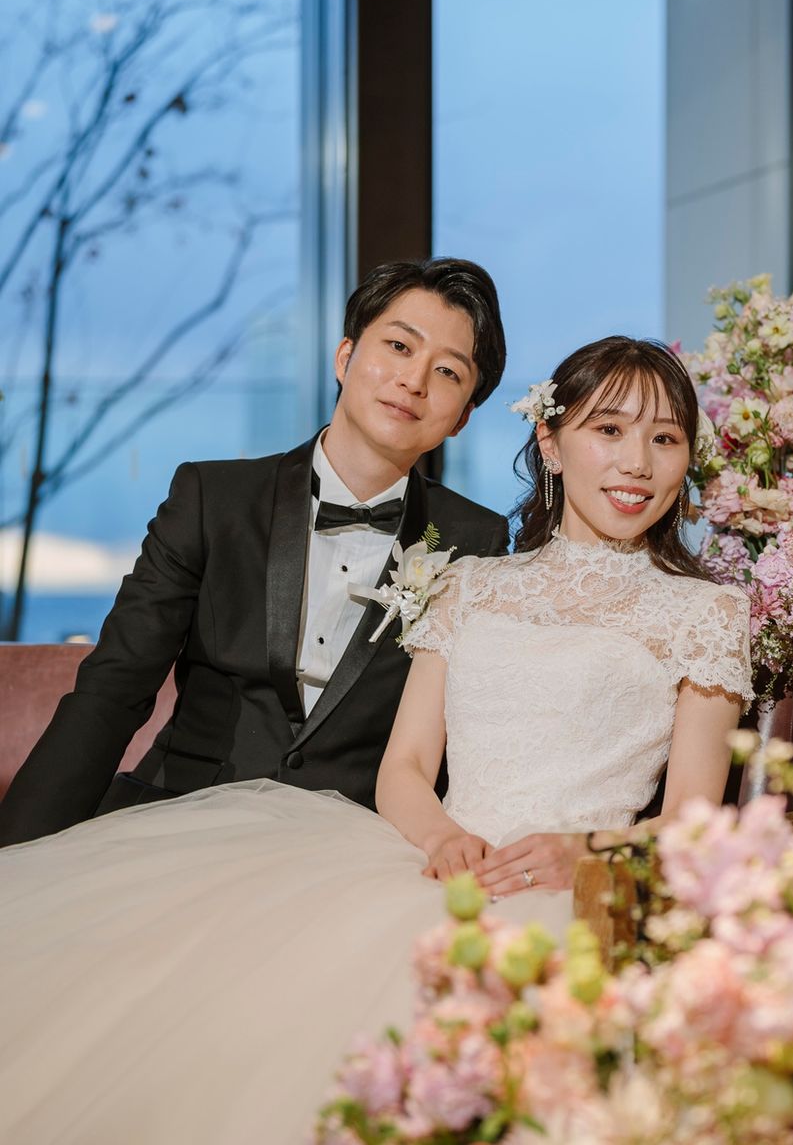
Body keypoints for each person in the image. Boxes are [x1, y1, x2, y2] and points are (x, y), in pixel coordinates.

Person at [0, 337, 752, 1145]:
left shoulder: (707, 613)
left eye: (665, 438)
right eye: (608, 430)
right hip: (427, 866)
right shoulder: (467, 581)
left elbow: (693, 821)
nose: (637, 463)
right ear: (550, 441)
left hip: (583, 894)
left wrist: (589, 854)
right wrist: (444, 839)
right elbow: (407, 766)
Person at [0, 257, 510, 847]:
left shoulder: (475, 542)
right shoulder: (211, 498)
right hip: (182, 823)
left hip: (355, 845)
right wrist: (18, 853)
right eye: (398, 346)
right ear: (345, 357)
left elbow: (469, 738)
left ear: (463, 417)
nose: (414, 380)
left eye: (447, 371)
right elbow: (113, 690)